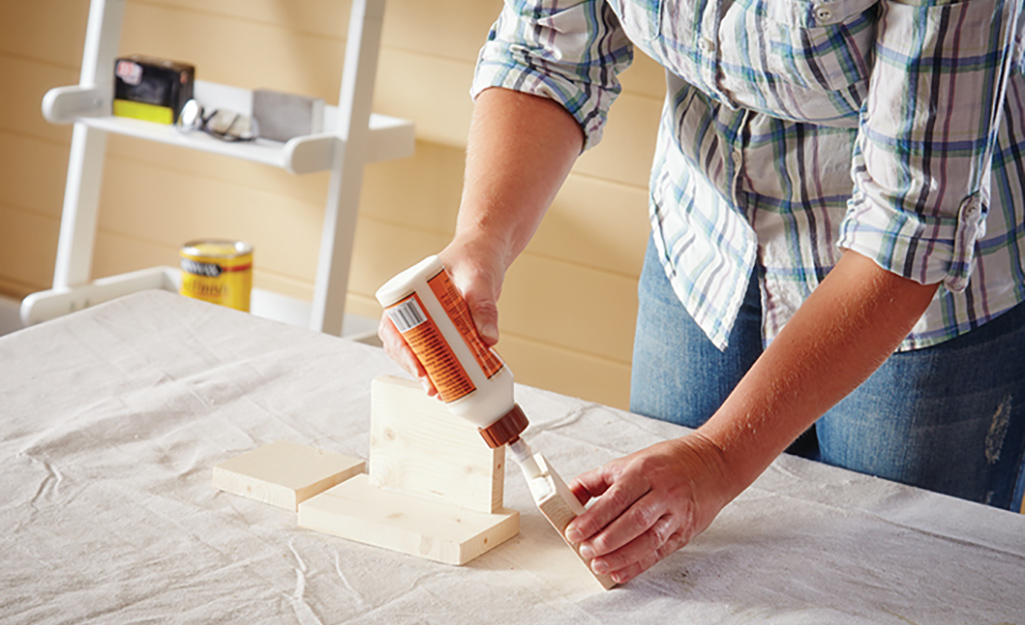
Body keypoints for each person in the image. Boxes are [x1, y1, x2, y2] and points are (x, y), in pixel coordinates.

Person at [381, 0, 1025, 584]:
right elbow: (543, 48)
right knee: (672, 585)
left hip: (919, 301)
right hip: (704, 245)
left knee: (881, 585)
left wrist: (718, 458)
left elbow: (909, 226)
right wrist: (483, 239)